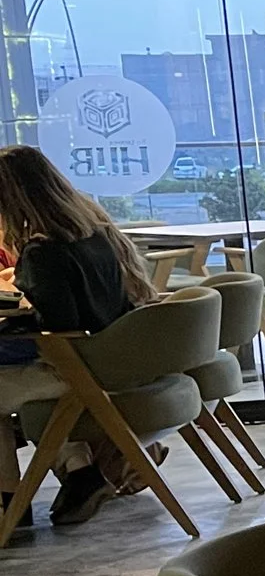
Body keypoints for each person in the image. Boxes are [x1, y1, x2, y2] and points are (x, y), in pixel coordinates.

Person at [0, 145, 159, 526]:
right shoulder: (93, 235)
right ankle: (79, 471)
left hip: (78, 369)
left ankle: (10, 502)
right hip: (108, 362)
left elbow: (57, 330)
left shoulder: (43, 252)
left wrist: (18, 315)